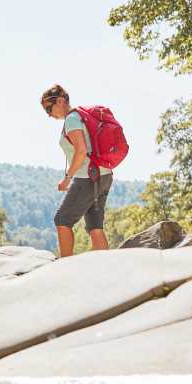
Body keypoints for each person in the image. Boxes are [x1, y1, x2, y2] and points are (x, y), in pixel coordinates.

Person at [40, 84, 113, 257]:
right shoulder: (81, 117)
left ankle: (66, 268)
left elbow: (80, 151)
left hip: (87, 177)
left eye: (49, 109)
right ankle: (104, 268)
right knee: (95, 225)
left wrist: (67, 178)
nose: (50, 115)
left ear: (60, 100)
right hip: (104, 175)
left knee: (62, 220)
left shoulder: (72, 120)